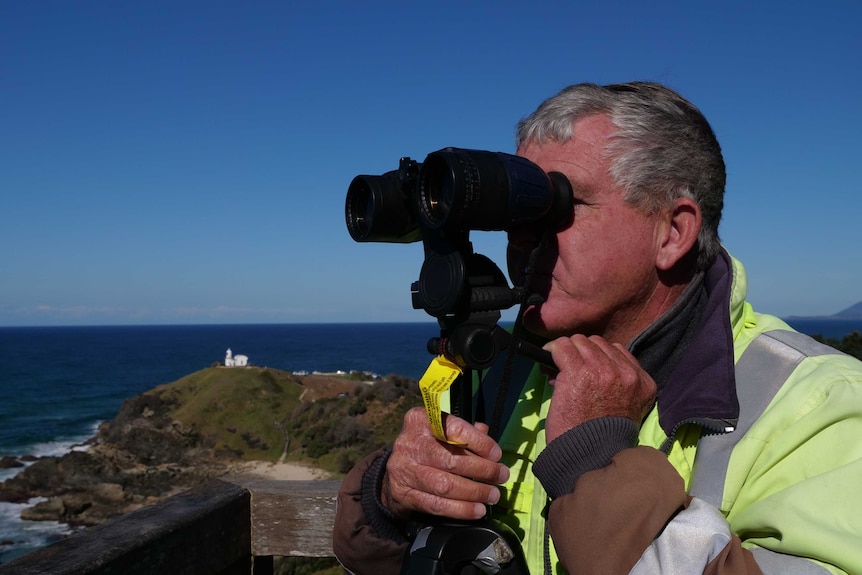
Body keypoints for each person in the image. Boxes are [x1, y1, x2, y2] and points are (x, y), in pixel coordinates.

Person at [331, 82, 862, 574]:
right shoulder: (502, 368)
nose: (522, 235)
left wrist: (596, 464)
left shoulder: (821, 407)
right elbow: (374, 552)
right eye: (519, 205)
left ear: (673, 233)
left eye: (557, 203)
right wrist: (388, 499)